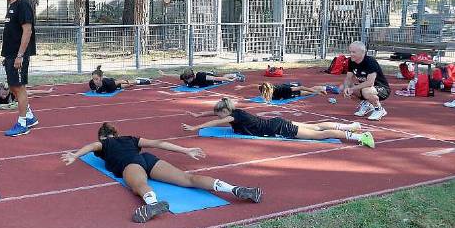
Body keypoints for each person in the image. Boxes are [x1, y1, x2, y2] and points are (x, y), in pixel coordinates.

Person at [61, 123, 262, 223]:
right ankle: (236, 189)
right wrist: (186, 150)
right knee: (187, 178)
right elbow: (159, 143)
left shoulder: (102, 144)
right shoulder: (131, 138)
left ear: (104, 136)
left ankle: (153, 204)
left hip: (129, 164)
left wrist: (75, 155)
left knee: (138, 185)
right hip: (147, 158)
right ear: (117, 133)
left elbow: (89, 146)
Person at [182, 98, 375, 148]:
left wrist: (195, 127)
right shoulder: (233, 110)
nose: (217, 116)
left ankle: (359, 136)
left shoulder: (233, 117)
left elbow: (215, 123)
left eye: (219, 114)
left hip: (279, 128)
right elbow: (213, 114)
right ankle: (350, 127)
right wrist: (197, 115)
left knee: (320, 135)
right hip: (277, 122)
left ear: (225, 111)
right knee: (316, 126)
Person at [0, 0, 38, 137]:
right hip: (10, 54)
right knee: (13, 86)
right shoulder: (11, 6)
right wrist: (8, 55)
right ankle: (29, 116)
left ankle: (22, 124)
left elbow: (27, 31)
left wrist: (20, 56)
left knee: (20, 88)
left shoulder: (23, 5)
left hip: (19, 56)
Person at [340, 41, 390, 121]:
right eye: (350, 52)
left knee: (366, 91)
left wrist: (353, 88)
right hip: (366, 88)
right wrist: (346, 87)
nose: (351, 54)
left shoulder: (370, 62)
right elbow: (348, 78)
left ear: (362, 52)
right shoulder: (351, 61)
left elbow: (370, 83)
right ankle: (367, 104)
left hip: (381, 89)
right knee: (343, 87)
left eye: (354, 52)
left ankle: (379, 109)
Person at [160, 68, 244, 88]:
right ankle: (234, 75)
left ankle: (235, 75)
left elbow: (217, 79)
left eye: (189, 79)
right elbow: (175, 75)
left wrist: (229, 80)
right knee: (221, 78)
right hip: (201, 83)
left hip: (208, 79)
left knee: (221, 78)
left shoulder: (201, 76)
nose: (187, 80)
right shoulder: (185, 77)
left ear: (192, 76)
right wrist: (164, 74)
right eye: (186, 79)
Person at [258, 81, 329, 103]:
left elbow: (301, 87)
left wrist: (316, 92)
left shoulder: (282, 89)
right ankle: (319, 89)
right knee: (307, 91)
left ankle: (321, 89)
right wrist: (246, 87)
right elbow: (254, 85)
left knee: (308, 92)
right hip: (285, 92)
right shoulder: (262, 88)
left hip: (290, 92)